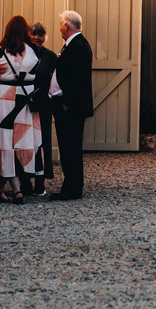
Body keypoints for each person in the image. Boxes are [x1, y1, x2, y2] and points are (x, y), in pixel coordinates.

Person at [0, 15, 44, 204]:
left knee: (4, 145)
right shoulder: (32, 52)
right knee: (18, 145)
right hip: (25, 102)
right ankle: (1, 190)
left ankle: (14, 191)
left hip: (3, 102)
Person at [48, 10, 93, 200]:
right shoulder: (73, 44)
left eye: (61, 24)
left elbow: (77, 78)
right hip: (67, 104)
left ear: (66, 25)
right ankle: (70, 186)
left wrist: (67, 102)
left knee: (70, 147)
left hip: (70, 107)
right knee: (68, 147)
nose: (59, 28)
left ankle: (72, 189)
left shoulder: (77, 46)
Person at [25, 22, 58, 195]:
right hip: (24, 104)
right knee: (24, 141)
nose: (37, 37)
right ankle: (25, 181)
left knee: (43, 141)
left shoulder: (51, 56)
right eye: (34, 34)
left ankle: (40, 182)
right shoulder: (22, 53)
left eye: (41, 34)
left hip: (43, 103)